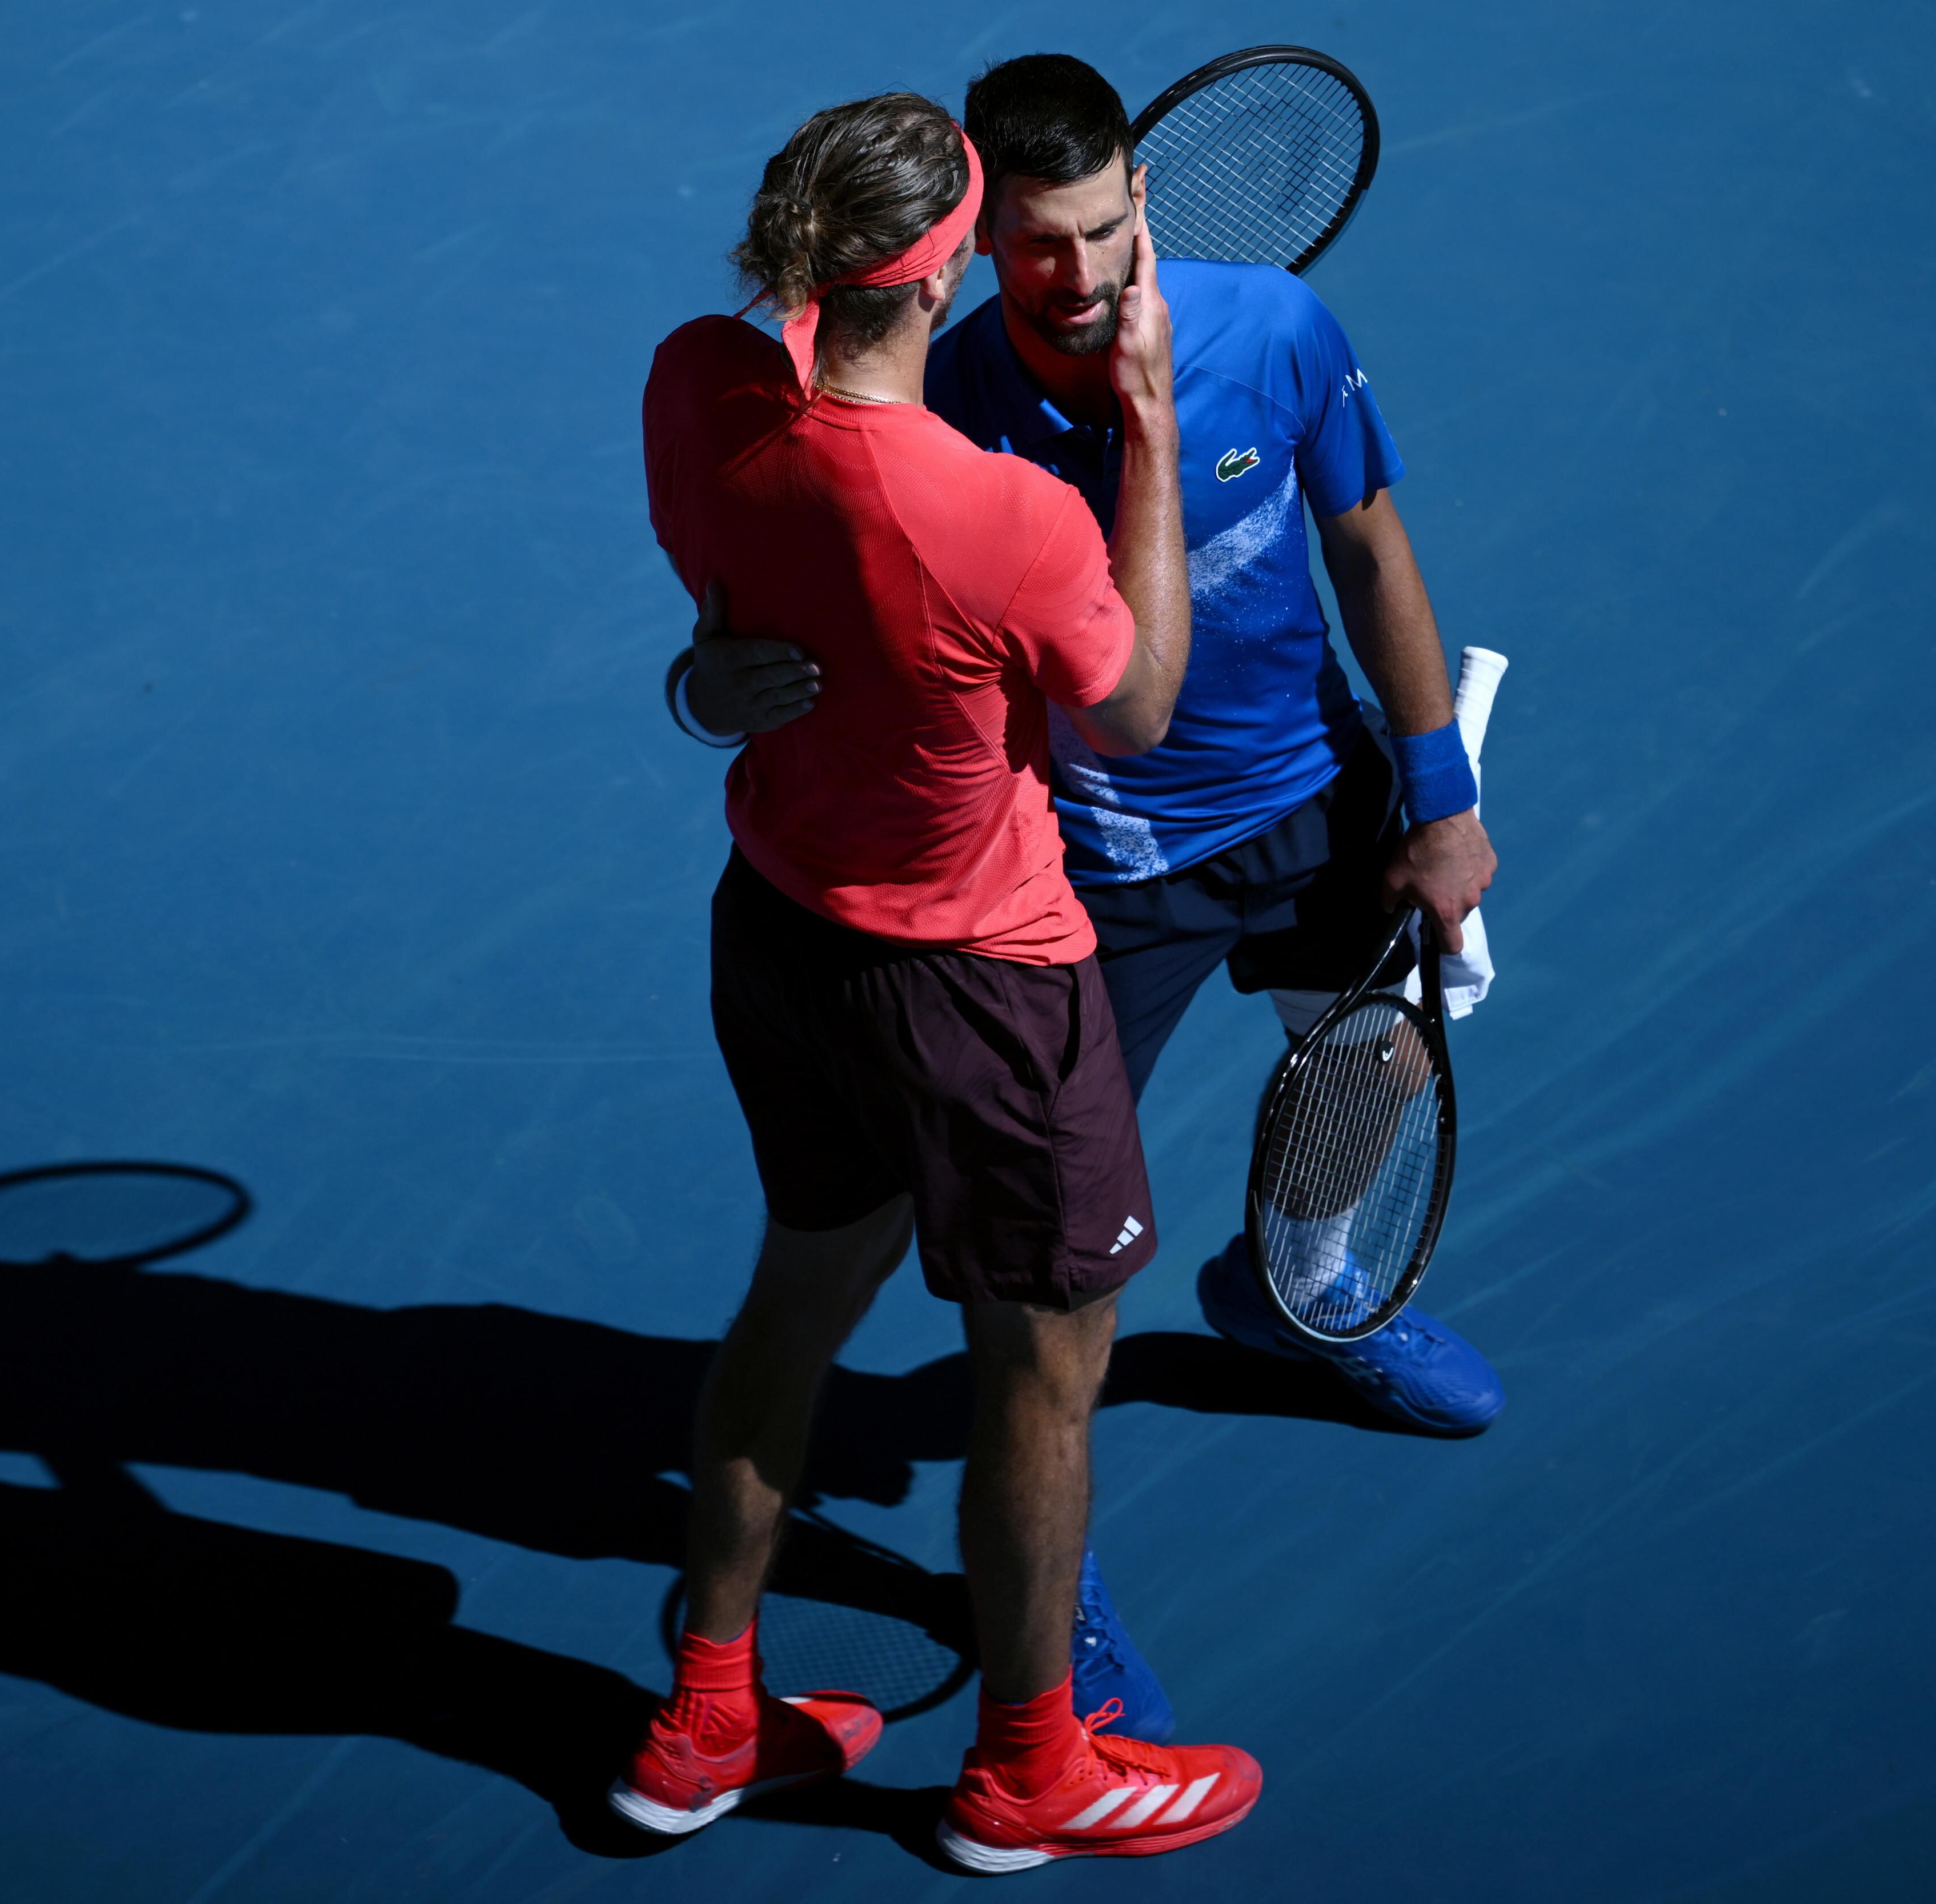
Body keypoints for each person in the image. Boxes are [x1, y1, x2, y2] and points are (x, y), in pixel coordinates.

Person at [676, 51, 1505, 1733]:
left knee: (1387, 1047)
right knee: (1037, 1292)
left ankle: (1295, 1285)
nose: (1085, 274)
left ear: (1145, 196)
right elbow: (832, 614)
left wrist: (1439, 794)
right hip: (1096, 869)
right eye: (1041, 244)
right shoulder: (947, 414)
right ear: (982, 244)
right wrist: (712, 679)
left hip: (1317, 799)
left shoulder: (1276, 333)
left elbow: (1371, 549)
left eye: (1110, 226)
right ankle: (1042, 1577)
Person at [621, 89, 1262, 1873]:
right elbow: (1132, 705)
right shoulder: (1000, 518)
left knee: (793, 1309)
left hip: (782, 940)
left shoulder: (693, 383)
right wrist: (1142, 422)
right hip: (985, 988)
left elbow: (730, 606)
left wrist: (706, 678)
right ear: (950, 266)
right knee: (1039, 1380)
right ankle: (1030, 1772)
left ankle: (706, 1720)